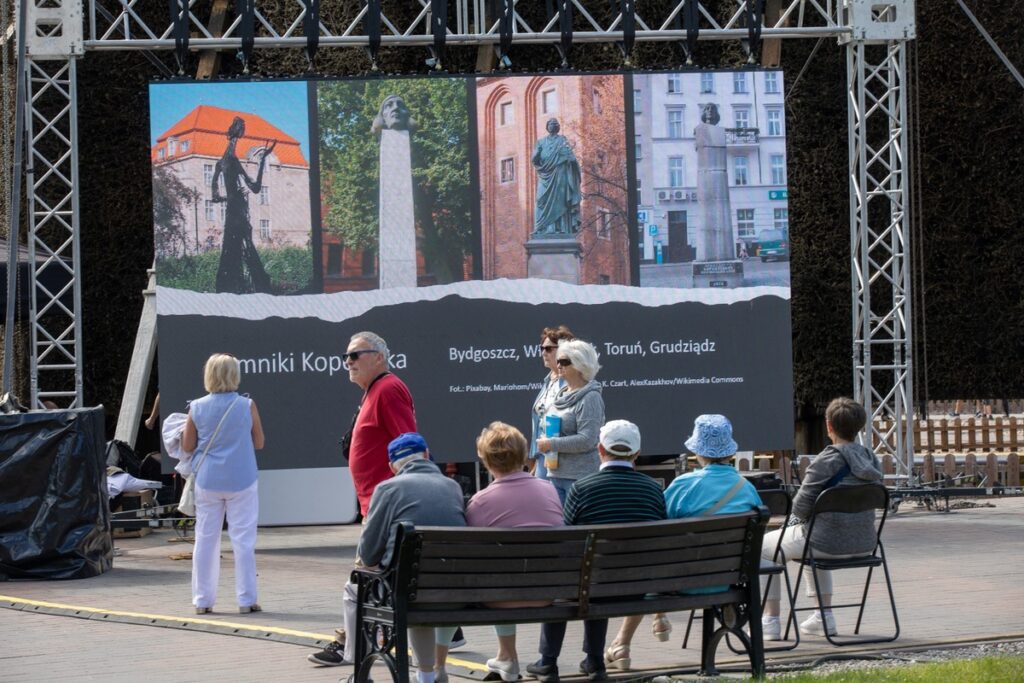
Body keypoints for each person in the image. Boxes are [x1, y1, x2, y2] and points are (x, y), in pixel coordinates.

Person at [603, 414, 762, 671]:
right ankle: (661, 618)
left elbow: (657, 526)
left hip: (682, 581)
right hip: (727, 580)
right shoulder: (747, 488)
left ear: (698, 451)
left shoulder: (684, 485)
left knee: (652, 560)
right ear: (729, 451)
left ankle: (623, 643)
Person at [311, 433, 466, 683]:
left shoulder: (387, 489)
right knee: (417, 589)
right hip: (453, 589)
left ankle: (360, 673)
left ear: (392, 466)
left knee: (354, 589)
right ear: (427, 455)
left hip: (406, 591)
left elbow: (368, 553)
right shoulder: (453, 487)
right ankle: (426, 676)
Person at [527, 420, 666, 683]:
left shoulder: (582, 489)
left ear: (600, 449)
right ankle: (594, 660)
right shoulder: (653, 490)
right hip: (639, 587)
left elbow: (566, 543)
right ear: (637, 454)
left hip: (593, 586)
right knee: (596, 574)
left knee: (583, 574)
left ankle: (548, 661)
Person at [760, 397, 882, 640]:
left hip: (825, 543)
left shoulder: (826, 460)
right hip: (866, 543)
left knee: (762, 548)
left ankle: (770, 621)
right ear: (860, 426)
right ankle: (823, 617)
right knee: (811, 537)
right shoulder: (871, 458)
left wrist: (789, 525)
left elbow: (800, 507)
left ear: (829, 426)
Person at [465, 422, 564, 682]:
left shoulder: (481, 502)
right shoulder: (549, 491)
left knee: (496, 572)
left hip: (499, 598)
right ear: (523, 456)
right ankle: (505, 655)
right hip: (546, 594)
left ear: (487, 461)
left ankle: (505, 655)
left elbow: (471, 556)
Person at [181, 353, 265, 614]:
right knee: (243, 541)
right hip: (242, 478)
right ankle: (246, 600)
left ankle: (202, 601)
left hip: (208, 479)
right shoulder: (247, 405)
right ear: (234, 375)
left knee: (205, 539)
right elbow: (259, 442)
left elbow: (187, 445)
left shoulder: (196, 407)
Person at [344, 331, 416, 517]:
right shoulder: (376, 389)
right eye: (346, 356)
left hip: (389, 508)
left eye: (355, 355)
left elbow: (410, 448)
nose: (348, 362)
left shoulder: (388, 389)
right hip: (379, 505)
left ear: (379, 357)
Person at [211, 116, 275, 294]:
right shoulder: (233, 162)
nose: (243, 133)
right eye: (242, 130)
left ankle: (231, 286)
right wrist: (262, 161)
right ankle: (260, 285)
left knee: (232, 246)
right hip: (238, 209)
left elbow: (215, 196)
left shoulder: (220, 163)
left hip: (232, 209)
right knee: (244, 244)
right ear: (239, 132)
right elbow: (256, 188)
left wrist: (227, 198)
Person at [535, 340, 604, 505]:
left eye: (564, 362)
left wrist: (551, 444)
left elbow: (587, 440)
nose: (559, 365)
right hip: (555, 474)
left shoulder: (590, 397)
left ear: (580, 365)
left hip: (580, 478)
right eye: (558, 360)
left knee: (577, 522)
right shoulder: (561, 394)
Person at [529, 325, 575, 480]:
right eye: (542, 348)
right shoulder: (548, 381)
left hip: (564, 457)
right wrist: (536, 459)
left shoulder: (572, 382)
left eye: (548, 349)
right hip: (545, 456)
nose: (543, 352)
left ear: (563, 350)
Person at [531, 118, 581, 237]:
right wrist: (536, 156)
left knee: (560, 200)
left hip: (560, 174)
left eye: (554, 124)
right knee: (540, 200)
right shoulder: (541, 142)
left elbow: (571, 158)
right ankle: (541, 228)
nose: (552, 125)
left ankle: (560, 228)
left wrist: (571, 160)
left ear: (558, 127)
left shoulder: (562, 140)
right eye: (550, 124)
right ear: (547, 127)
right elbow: (534, 160)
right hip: (545, 176)